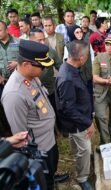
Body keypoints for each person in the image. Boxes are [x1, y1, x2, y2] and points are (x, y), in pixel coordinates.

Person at [1, 39, 58, 190]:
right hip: (39, 153)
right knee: (44, 183)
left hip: (49, 142)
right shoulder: (14, 94)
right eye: (41, 66)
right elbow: (19, 135)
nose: (44, 70)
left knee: (51, 177)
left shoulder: (31, 77)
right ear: (26, 65)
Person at [55, 40, 95, 190]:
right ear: (82, 58)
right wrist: (88, 122)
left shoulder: (71, 68)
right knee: (85, 149)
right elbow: (68, 109)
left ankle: (78, 161)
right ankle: (82, 177)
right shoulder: (67, 78)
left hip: (80, 118)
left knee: (79, 148)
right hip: (77, 123)